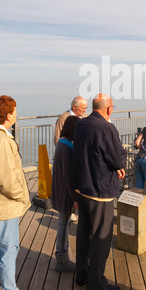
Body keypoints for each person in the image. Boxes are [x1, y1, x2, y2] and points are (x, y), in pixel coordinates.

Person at [0, 95, 37, 290]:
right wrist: (22, 196)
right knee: (8, 248)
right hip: (2, 205)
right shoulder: (1, 140)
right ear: (8, 115)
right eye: (14, 110)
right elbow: (5, 179)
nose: (16, 114)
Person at [72, 94, 127, 290]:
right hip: (100, 190)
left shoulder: (81, 125)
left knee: (84, 233)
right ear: (109, 109)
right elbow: (118, 156)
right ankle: (96, 283)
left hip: (82, 188)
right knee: (101, 238)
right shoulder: (106, 128)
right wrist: (119, 166)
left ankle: (82, 274)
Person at [51, 115, 80, 273]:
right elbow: (68, 176)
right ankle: (62, 260)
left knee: (64, 222)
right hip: (65, 193)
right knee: (63, 224)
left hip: (60, 190)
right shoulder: (66, 146)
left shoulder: (62, 143)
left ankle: (64, 256)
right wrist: (74, 198)